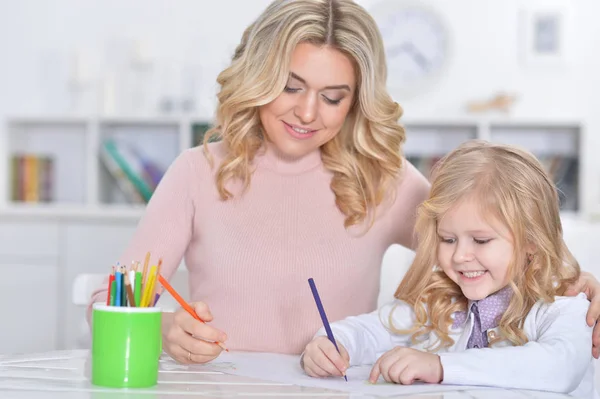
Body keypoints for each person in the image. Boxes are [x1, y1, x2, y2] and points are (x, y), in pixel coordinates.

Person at [88, 0, 600, 365]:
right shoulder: (195, 173)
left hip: (338, 387)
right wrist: (163, 332)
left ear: (357, 101)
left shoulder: (384, 180)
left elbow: (493, 252)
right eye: (290, 87)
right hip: (217, 386)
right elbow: (106, 303)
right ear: (256, 78)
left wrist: (576, 285)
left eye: (333, 97)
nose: (307, 112)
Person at [301, 140, 596, 398]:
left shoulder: (563, 307)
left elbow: (560, 366)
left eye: (481, 240)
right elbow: (370, 329)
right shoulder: (441, 303)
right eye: (448, 239)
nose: (460, 255)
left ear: (531, 241)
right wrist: (332, 343)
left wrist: (440, 366)